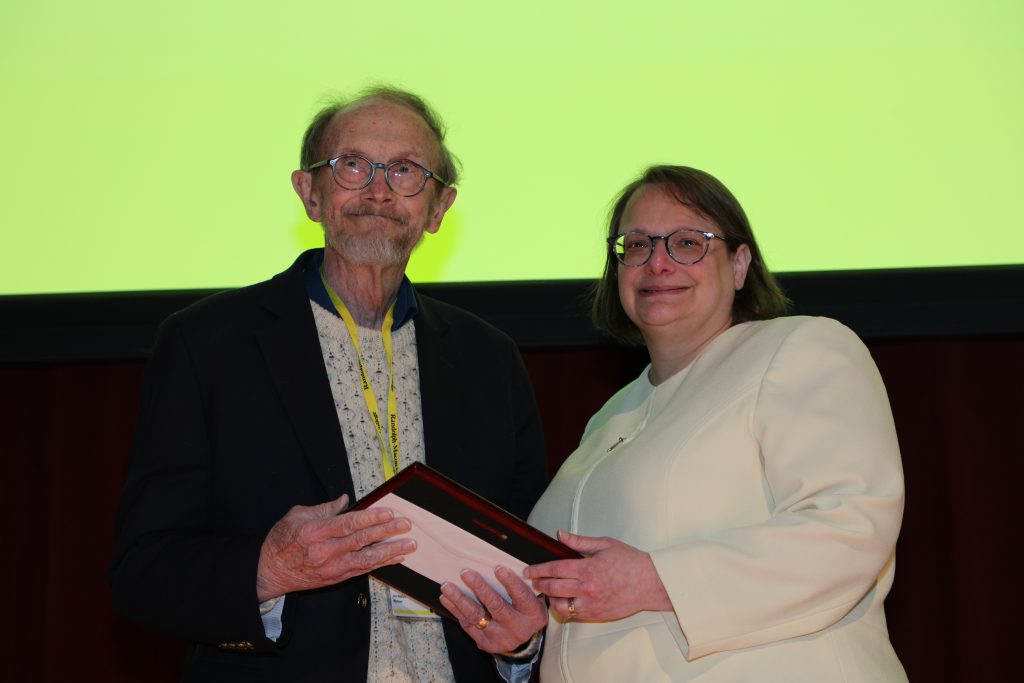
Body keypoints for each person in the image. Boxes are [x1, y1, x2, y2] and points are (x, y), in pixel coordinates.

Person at [110, 86, 549, 682]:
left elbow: (527, 565)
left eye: (405, 170)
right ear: (309, 192)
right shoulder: (208, 345)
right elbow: (143, 572)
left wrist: (520, 648)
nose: (379, 189)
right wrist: (267, 569)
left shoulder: (488, 359)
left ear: (440, 208)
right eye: (352, 165)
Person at [480, 164, 907, 681]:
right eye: (636, 245)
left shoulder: (800, 348)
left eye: (688, 242)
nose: (657, 263)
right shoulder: (609, 417)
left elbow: (849, 528)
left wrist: (655, 580)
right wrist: (523, 641)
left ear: (741, 263)